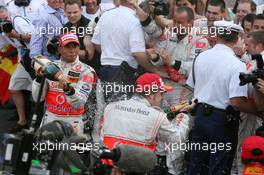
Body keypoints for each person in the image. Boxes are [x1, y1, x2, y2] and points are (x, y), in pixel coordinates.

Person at [186, 20, 260, 175]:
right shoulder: (236, 65)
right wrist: (259, 110)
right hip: (221, 122)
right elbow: (237, 101)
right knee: (218, 167)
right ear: (237, 38)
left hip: (199, 117)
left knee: (196, 164)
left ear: (217, 35)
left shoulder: (201, 57)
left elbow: (192, 86)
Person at [101, 72, 191, 174]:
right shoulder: (157, 116)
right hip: (135, 168)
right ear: (151, 95)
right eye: (161, 93)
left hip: (107, 165)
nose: (163, 98)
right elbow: (176, 139)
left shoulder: (110, 106)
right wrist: (183, 115)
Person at [92, 0, 167, 102]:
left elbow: (97, 44)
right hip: (124, 73)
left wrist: (112, 52)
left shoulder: (105, 15)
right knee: (122, 112)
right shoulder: (135, 19)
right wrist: (155, 69)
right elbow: (137, 53)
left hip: (105, 70)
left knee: (108, 111)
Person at [32, 33, 97, 134]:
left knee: (68, 150)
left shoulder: (86, 71)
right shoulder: (50, 66)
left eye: (75, 46)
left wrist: (68, 89)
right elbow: (37, 98)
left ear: (79, 48)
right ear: (60, 49)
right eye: (67, 46)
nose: (72, 50)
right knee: (45, 149)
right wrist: (38, 79)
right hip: (50, 118)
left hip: (73, 121)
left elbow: (79, 103)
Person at [0, 6, 35, 133]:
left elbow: (33, 38)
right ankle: (22, 121)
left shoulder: (18, 21)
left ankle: (39, 123)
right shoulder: (3, 29)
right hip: (24, 58)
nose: (4, 23)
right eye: (1, 21)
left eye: (5, 19)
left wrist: (16, 35)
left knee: (39, 93)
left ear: (9, 14)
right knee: (14, 87)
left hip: (36, 57)